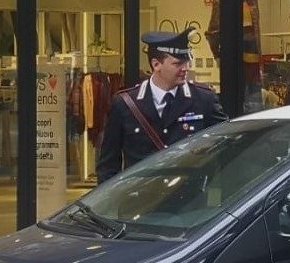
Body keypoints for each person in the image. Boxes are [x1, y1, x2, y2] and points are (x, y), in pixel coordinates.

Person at [96, 28, 226, 183]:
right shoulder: (125, 103)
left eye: (186, 62)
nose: (185, 68)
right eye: (178, 64)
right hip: (139, 201)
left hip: (189, 200)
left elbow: (225, 146)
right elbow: (108, 165)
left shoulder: (204, 99)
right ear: (156, 64)